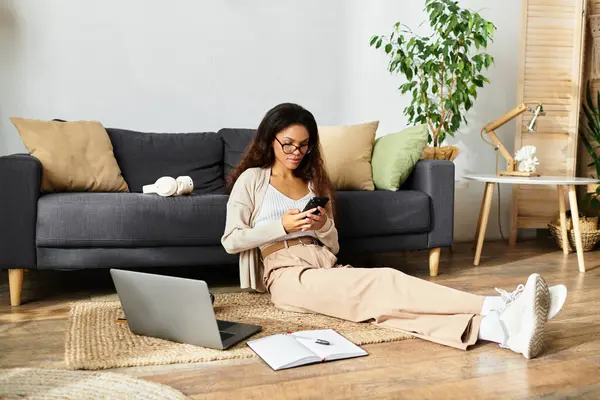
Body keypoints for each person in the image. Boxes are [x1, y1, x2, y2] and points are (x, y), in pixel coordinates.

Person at [221, 102, 567, 359]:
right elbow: (232, 240)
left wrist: (323, 225)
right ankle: (496, 305)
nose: (297, 152)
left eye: (305, 144)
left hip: (325, 264)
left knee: (384, 307)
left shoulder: (312, 182)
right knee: (385, 280)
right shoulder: (254, 180)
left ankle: (501, 331)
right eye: (288, 144)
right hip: (287, 274)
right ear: (270, 140)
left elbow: (334, 244)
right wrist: (280, 226)